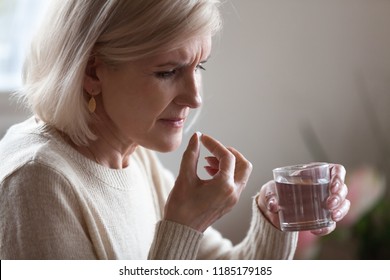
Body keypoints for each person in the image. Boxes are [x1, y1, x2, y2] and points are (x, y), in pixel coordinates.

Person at [0, 0, 350, 260]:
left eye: (200, 66)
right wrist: (184, 227)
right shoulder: (36, 182)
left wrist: (276, 217)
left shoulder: (132, 156)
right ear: (92, 73)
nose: (195, 98)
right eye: (168, 72)